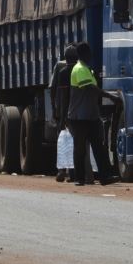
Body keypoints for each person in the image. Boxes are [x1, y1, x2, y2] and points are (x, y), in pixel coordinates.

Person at [66, 42, 118, 186]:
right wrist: (111, 97)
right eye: (89, 53)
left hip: (90, 115)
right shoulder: (80, 69)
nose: (91, 56)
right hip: (80, 116)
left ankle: (105, 177)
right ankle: (79, 178)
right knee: (80, 148)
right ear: (84, 54)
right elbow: (90, 88)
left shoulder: (87, 69)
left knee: (99, 147)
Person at [50, 45, 77, 182]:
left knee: (63, 142)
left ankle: (61, 171)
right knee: (74, 141)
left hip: (63, 110)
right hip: (75, 111)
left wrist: (54, 108)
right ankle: (72, 173)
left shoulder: (60, 68)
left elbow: (52, 88)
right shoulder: (80, 69)